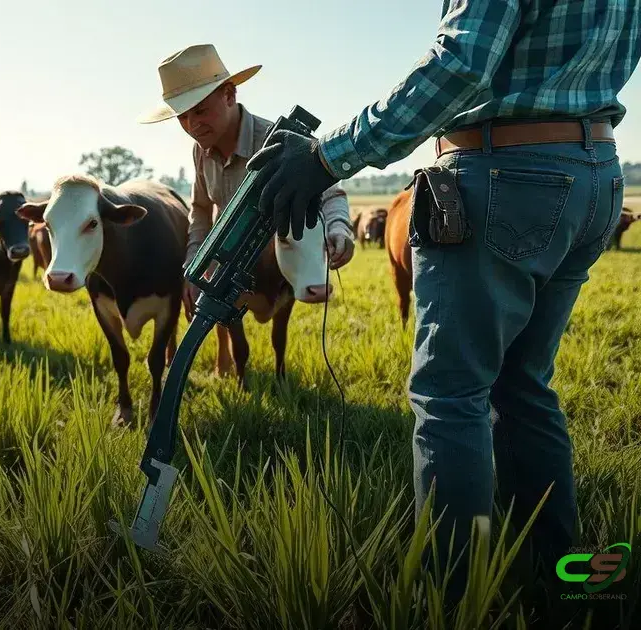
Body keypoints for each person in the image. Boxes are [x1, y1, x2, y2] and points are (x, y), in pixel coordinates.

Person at [249, 0, 641, 603]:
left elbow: (461, 64)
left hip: (504, 171)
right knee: (524, 384)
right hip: (597, 170)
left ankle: (456, 591)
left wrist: (328, 157)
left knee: (451, 394)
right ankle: (560, 573)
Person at [138, 43, 356, 371]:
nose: (192, 125)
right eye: (182, 116)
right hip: (231, 265)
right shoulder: (200, 153)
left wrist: (339, 228)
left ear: (229, 95)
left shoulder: (280, 141)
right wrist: (193, 264)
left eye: (199, 111)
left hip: (279, 262)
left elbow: (331, 192)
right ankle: (234, 363)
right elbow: (199, 210)